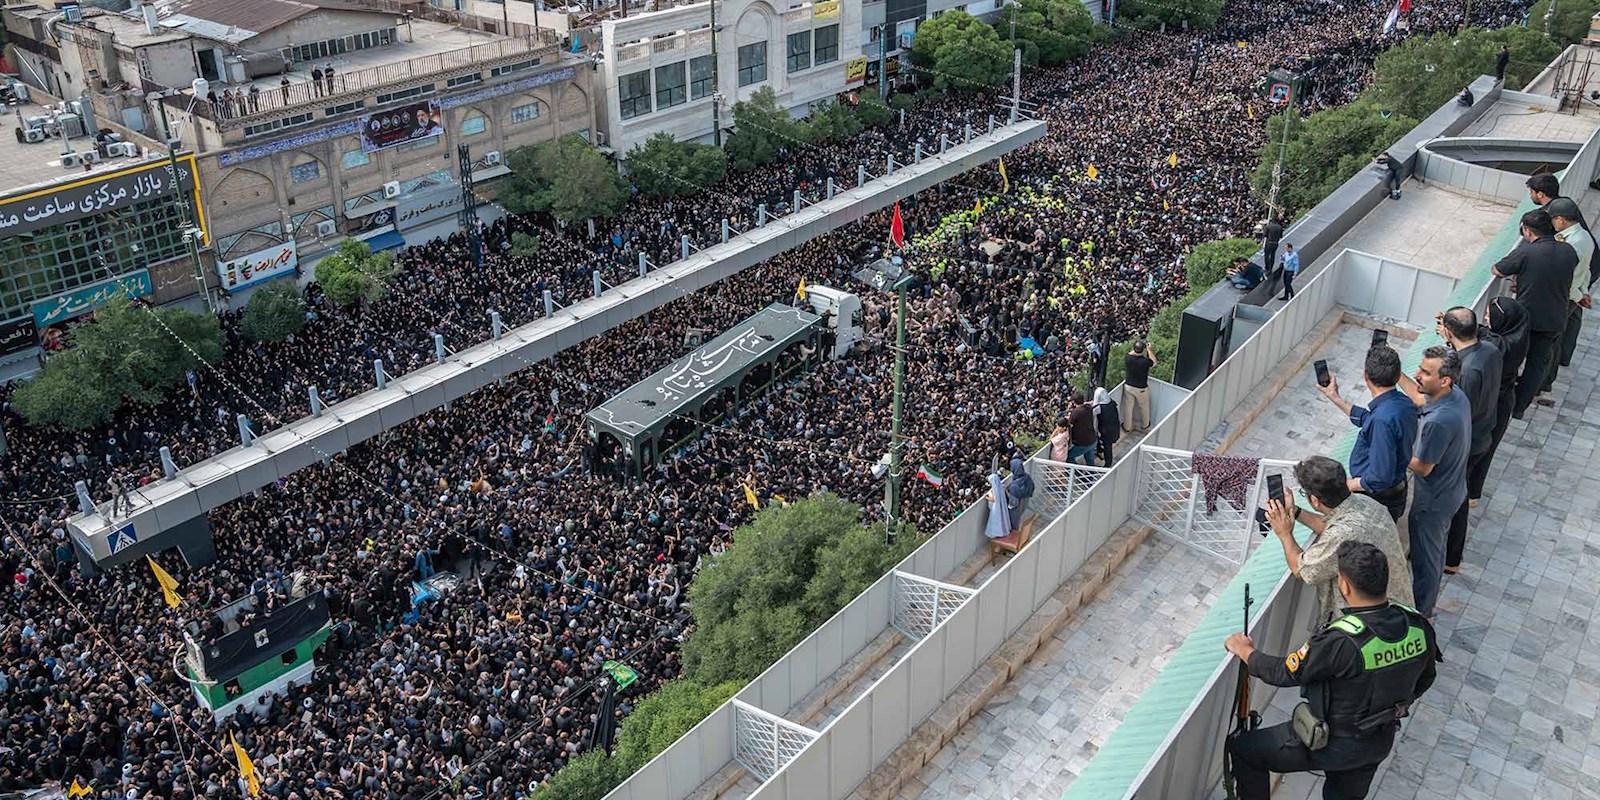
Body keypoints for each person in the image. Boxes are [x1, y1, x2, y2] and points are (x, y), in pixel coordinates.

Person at [1224, 542, 1440, 800]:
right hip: (1377, 741)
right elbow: (1426, 679)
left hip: (1328, 742)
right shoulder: (1417, 625)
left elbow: (1283, 673)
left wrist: (1245, 651)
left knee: (1245, 750)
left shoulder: (1342, 640)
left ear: (1344, 585)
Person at [1263, 457, 1413, 627]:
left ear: (1315, 500)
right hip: (1399, 612)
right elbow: (1330, 525)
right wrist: (1295, 511)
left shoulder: (1343, 533)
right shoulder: (1366, 503)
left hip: (1373, 627)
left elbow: (1301, 570)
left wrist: (1284, 533)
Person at [1399, 346, 1470, 619]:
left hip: (1433, 501)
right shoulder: (1456, 397)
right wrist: (1398, 375)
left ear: (1445, 380)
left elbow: (1422, 467)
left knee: (1426, 558)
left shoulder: (1438, 422)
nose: (1418, 375)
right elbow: (1420, 398)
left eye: (1425, 372)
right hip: (1453, 489)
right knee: (1435, 549)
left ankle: (1421, 614)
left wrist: (1393, 447)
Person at [1491, 209, 1576, 417]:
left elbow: (1498, 269)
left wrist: (1519, 276)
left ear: (1527, 231)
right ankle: (1518, 408)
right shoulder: (1569, 251)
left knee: (1509, 360)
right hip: (1555, 318)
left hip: (1526, 319)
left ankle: (1498, 404)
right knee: (1536, 365)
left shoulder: (1528, 252)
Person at [1316, 345, 1415, 522]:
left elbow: (1379, 478)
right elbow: (1367, 419)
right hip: (1396, 491)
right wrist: (1335, 397)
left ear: (1365, 376)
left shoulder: (1382, 420)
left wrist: (1346, 486)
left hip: (1378, 500)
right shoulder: (1402, 402)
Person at [1434, 308, 1499, 574]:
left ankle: (1450, 558)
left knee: (1454, 501)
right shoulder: (1491, 352)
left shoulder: (1467, 370)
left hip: (1467, 444)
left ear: (1448, 331)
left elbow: (1456, 412)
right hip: (1484, 435)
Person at [1467, 296, 1529, 507]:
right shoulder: (1517, 334)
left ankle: (1469, 492)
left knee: (1480, 447)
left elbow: (1481, 343)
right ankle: (1473, 492)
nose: (1485, 319)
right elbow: (1486, 332)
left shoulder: (1497, 347)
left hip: (1492, 401)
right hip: (1504, 399)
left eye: (1488, 316)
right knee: (1487, 449)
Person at [1535, 197, 1591, 405]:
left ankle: (1543, 386)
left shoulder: (1571, 243)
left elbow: (1567, 277)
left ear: (1559, 220)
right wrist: (1582, 293)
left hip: (1564, 298)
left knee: (1550, 344)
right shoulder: (1584, 237)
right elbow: (1584, 273)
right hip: (1571, 296)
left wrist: (1578, 297)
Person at [1123, 341, 1155, 433]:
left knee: (1128, 407)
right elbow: (1154, 362)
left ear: (1134, 349)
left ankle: (1127, 427)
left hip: (1128, 386)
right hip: (1141, 388)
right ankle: (1145, 425)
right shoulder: (1145, 362)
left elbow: (1131, 352)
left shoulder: (1128, 358)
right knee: (1144, 407)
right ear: (1143, 350)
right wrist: (1149, 350)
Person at [1067, 391, 1097, 466]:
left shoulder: (1076, 412)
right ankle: (1090, 476)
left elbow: (1070, 423)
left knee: (1069, 457)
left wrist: (1069, 410)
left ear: (1074, 402)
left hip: (1082, 443)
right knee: (1090, 460)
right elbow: (1087, 404)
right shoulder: (1089, 408)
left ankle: (1077, 473)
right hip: (1092, 439)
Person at [1093, 387, 1121, 466]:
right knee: (1107, 446)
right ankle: (1101, 453)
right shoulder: (1112, 403)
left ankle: (1108, 464)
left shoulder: (1099, 408)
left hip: (1105, 431)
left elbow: (1093, 412)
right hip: (1114, 427)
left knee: (1107, 448)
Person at [1004, 457, 1035, 524]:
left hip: (1016, 511)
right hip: (1025, 503)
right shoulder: (1027, 477)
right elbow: (1031, 487)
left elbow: (1013, 504)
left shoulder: (1014, 486)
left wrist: (1006, 491)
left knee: (1014, 522)